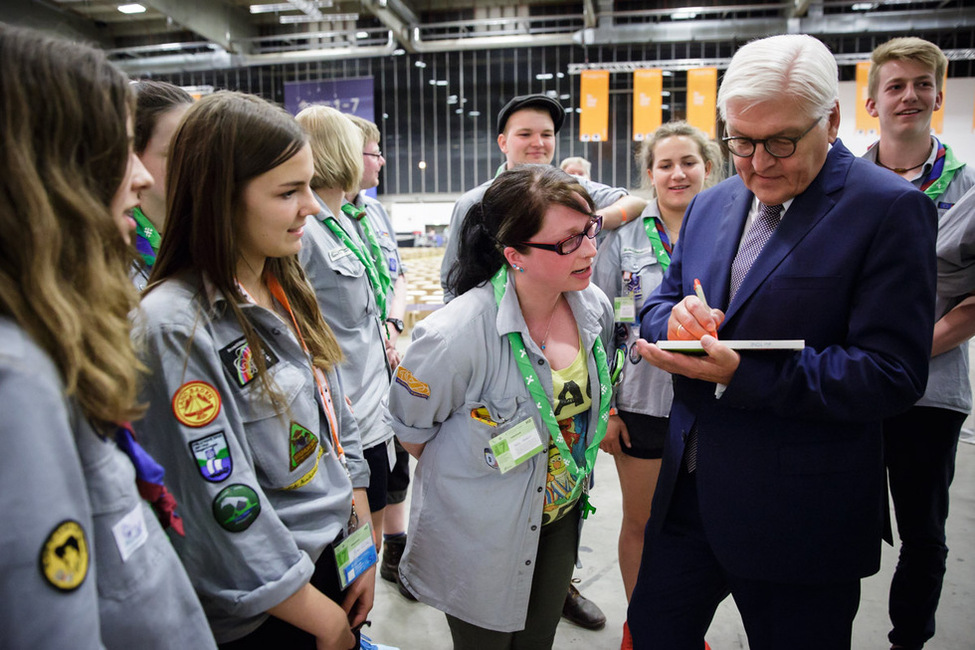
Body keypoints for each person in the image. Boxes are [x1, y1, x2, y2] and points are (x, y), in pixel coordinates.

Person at [628, 34, 938, 650]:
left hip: (800, 513)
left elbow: (892, 373)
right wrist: (677, 326)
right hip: (688, 496)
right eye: (739, 141)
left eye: (780, 142)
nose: (757, 162)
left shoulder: (888, 210)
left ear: (831, 119)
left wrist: (741, 373)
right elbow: (659, 302)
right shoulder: (714, 203)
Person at [0, 24, 214, 648]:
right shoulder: (18, 376)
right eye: (118, 150)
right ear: (47, 166)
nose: (141, 177)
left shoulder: (43, 334)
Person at [133, 92, 372, 649]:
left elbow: (333, 401)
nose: (312, 207)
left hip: (330, 556)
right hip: (273, 605)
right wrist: (318, 615)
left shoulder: (283, 276)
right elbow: (225, 503)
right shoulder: (175, 327)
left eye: (310, 185)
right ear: (220, 200)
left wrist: (357, 533)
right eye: (289, 192)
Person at [388, 165, 615, 649]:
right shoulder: (454, 337)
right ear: (514, 255)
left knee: (538, 640)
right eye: (568, 241)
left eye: (590, 229)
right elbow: (412, 434)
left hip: (561, 513)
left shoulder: (591, 304)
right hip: (481, 533)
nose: (591, 250)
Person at [592, 121, 722, 648]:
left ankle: (681, 627)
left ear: (707, 168)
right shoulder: (623, 235)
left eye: (688, 162)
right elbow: (595, 321)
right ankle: (640, 625)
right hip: (640, 403)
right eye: (664, 164)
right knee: (642, 521)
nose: (677, 173)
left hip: (712, 401)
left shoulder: (728, 227)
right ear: (649, 174)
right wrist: (606, 409)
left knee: (700, 525)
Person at [863, 36, 975, 650]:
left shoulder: (967, 187)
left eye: (922, 84)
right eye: (896, 85)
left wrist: (904, 351)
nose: (910, 95)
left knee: (923, 531)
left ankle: (910, 639)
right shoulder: (843, 181)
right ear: (873, 101)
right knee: (841, 521)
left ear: (938, 93)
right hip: (854, 384)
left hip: (931, 390)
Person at [294, 105, 397, 562]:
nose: (374, 160)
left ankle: (360, 623)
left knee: (370, 527)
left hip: (374, 409)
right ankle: (355, 628)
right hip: (346, 414)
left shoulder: (348, 223)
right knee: (355, 537)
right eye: (364, 151)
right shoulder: (307, 233)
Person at [440, 93, 647, 308]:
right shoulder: (475, 203)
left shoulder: (574, 189)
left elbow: (634, 203)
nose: (538, 143)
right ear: (503, 143)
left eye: (547, 134)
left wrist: (592, 221)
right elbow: (453, 284)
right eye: (525, 134)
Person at [342, 114, 416, 600]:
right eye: (373, 152)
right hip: (351, 388)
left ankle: (396, 554)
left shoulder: (375, 213)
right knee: (361, 489)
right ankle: (360, 592)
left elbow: (395, 275)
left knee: (395, 473)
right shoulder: (318, 223)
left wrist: (392, 319)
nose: (382, 161)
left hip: (387, 367)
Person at [130, 80, 193, 289]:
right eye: (176, 152)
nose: (195, 163)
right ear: (133, 155)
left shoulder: (219, 233)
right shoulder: (110, 255)